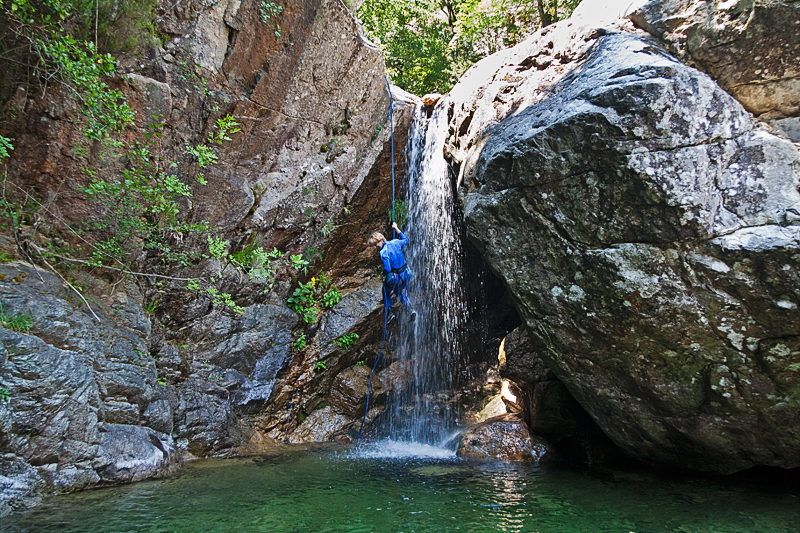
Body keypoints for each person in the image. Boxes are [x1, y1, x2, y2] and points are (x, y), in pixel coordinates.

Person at [368, 222, 415, 320]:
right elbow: (406, 240)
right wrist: (396, 228)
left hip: (396, 277)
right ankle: (411, 310)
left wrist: (383, 273)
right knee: (398, 291)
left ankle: (390, 314)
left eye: (375, 244)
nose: (375, 247)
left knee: (385, 291)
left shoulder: (383, 252)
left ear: (381, 240)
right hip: (406, 273)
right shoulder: (395, 242)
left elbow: (388, 269)